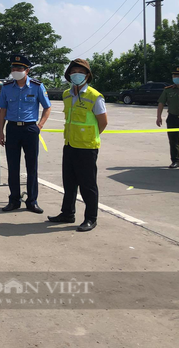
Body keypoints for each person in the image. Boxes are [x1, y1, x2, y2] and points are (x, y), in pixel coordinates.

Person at [48, 58, 107, 232]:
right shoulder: (67, 95)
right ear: (69, 75)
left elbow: (103, 122)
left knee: (88, 185)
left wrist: (89, 136)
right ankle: (67, 213)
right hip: (70, 144)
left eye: (80, 72)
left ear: (87, 75)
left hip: (87, 147)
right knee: (69, 183)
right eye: (73, 72)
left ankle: (90, 218)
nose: (76, 75)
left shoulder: (95, 96)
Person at [0, 55, 51, 214]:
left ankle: (32, 201)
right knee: (13, 167)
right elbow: (2, 110)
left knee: (32, 167)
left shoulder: (37, 86)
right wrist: (0, 131)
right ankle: (14, 200)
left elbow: (47, 107)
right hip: (12, 129)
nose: (16, 71)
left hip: (30, 129)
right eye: (13, 69)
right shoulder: (7, 87)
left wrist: (40, 125)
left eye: (19, 69)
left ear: (27, 70)